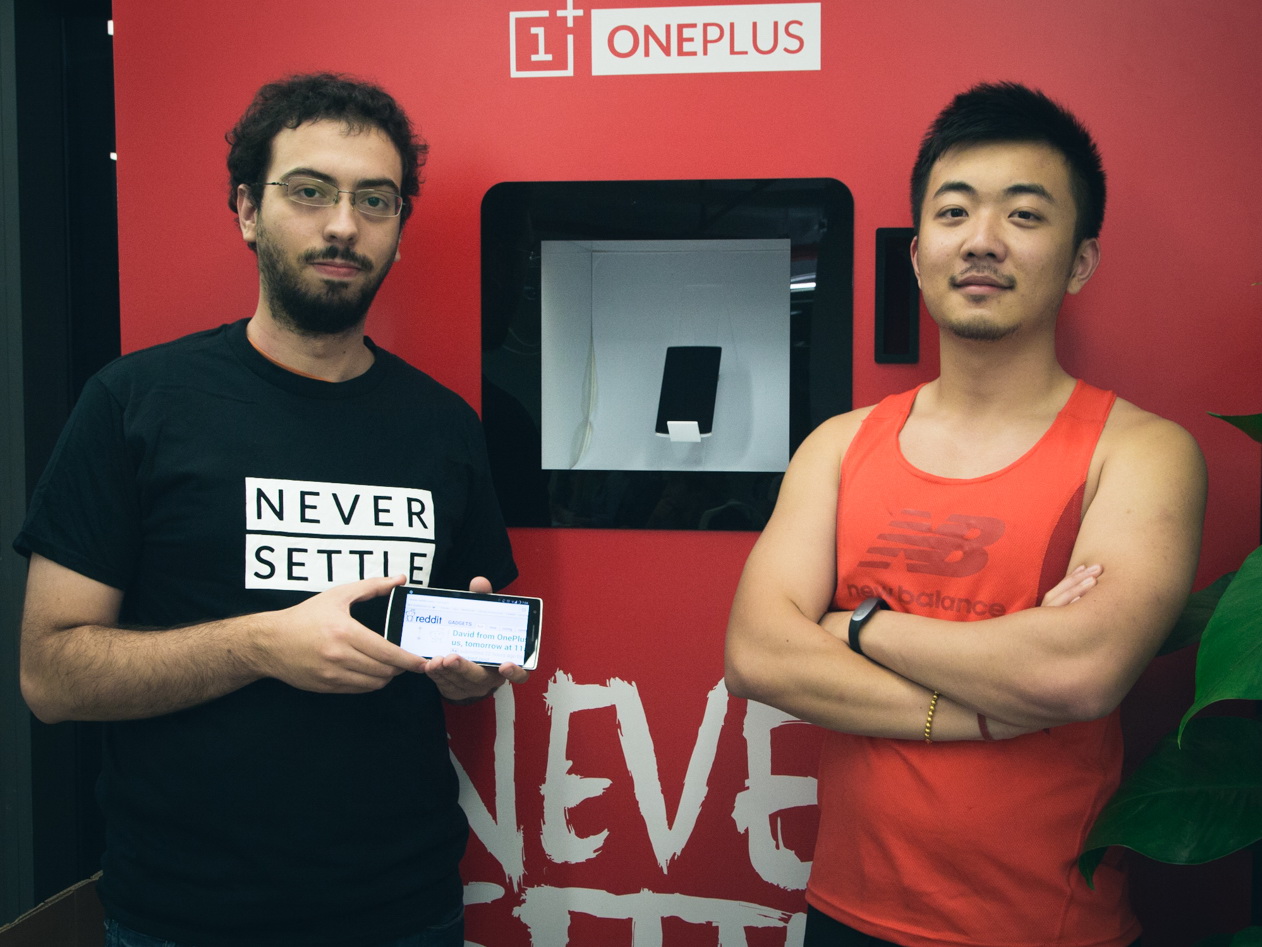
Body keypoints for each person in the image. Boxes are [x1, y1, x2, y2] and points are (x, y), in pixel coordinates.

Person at [14, 73, 525, 947]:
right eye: (311, 191)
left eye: (375, 200)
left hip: (404, 907)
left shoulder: (445, 426)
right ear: (249, 210)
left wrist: (469, 674)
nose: (343, 224)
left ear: (397, 230)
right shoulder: (136, 404)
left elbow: (464, 651)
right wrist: (260, 644)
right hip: (187, 914)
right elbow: (50, 677)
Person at [724, 81, 1206, 947]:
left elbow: (1078, 673)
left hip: (1049, 928)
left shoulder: (1139, 452)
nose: (982, 240)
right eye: (954, 212)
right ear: (918, 255)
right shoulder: (839, 444)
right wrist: (987, 704)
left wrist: (854, 624)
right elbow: (757, 653)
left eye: (1024, 215)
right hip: (847, 914)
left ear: (1081, 260)